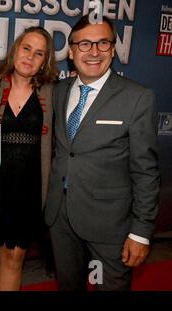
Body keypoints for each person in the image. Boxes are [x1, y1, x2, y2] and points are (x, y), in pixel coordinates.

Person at [44, 14, 160, 291]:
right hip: (60, 220)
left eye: (102, 43)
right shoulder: (58, 92)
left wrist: (141, 233)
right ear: (71, 52)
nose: (93, 52)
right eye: (84, 44)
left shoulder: (138, 97)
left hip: (110, 226)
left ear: (113, 49)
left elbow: (146, 171)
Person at [0, 27, 57, 291]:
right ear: (16, 49)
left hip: (29, 187)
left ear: (45, 61)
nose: (30, 57)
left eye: (39, 53)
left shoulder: (51, 92)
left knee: (14, 257)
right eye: (26, 48)